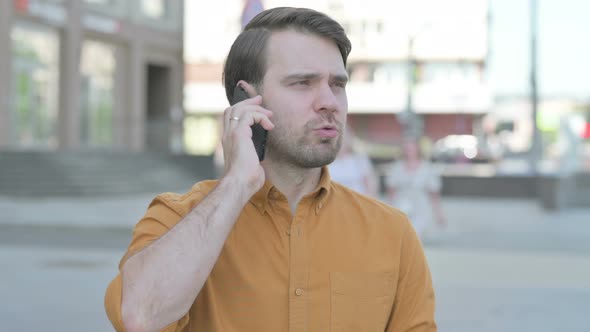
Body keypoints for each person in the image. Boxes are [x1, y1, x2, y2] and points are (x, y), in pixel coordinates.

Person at [105, 7, 436, 332]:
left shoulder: (393, 233)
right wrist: (236, 184)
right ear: (245, 100)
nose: (329, 101)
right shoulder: (175, 219)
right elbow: (139, 317)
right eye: (302, 83)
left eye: (337, 84)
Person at [386, 138, 446, 239]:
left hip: (421, 206)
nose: (409, 151)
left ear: (418, 150)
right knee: (401, 235)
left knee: (415, 235)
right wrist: (388, 209)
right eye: (407, 149)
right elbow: (391, 190)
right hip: (401, 205)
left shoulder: (427, 168)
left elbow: (434, 192)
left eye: (412, 148)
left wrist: (439, 213)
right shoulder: (397, 167)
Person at [328, 127, 379, 197]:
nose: (341, 141)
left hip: (358, 204)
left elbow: (371, 184)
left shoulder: (359, 159)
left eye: (344, 137)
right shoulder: (325, 162)